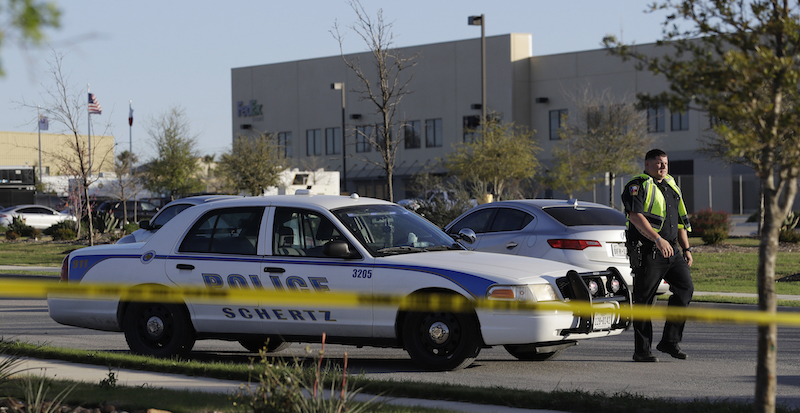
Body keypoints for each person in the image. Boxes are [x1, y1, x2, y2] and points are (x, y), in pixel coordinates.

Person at [621, 149, 694, 362]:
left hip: (673, 250)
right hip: (649, 250)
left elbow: (680, 221)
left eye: (665, 163)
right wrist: (657, 239)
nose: (663, 167)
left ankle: (669, 341)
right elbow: (635, 216)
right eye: (658, 163)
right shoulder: (638, 185)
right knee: (644, 300)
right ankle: (642, 351)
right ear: (647, 164)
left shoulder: (671, 186)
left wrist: (686, 249)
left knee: (685, 289)